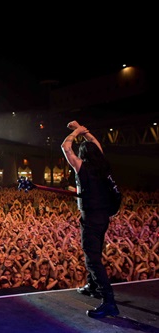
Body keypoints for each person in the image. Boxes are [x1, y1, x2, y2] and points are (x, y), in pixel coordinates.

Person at [61, 120, 119, 318]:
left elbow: (65, 147)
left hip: (91, 218)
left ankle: (109, 302)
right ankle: (93, 286)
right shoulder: (102, 165)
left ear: (83, 155)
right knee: (95, 252)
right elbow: (94, 142)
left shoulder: (82, 168)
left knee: (92, 259)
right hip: (103, 217)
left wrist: (76, 131)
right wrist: (85, 130)